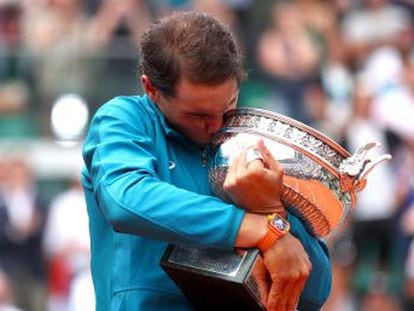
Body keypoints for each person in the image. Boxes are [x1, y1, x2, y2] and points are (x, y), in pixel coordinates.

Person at [81, 11, 331, 311]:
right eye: (197, 115)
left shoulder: (252, 140)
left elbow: (317, 291)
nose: (215, 126)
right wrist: (260, 229)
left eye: (228, 107)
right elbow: (125, 200)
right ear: (151, 89)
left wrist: (273, 212)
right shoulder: (124, 119)